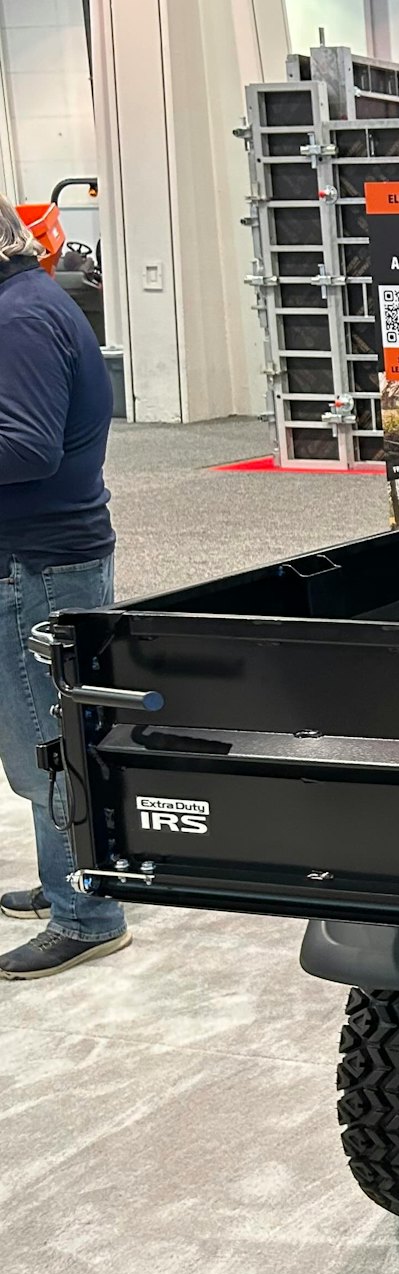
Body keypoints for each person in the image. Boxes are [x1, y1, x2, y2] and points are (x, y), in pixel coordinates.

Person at [0, 192, 128, 978]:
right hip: (43, 556)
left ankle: (87, 914)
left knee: (51, 745)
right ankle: (69, 880)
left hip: (39, 564)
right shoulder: (28, 302)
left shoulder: (18, 319)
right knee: (46, 735)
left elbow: (25, 448)